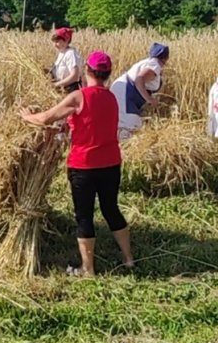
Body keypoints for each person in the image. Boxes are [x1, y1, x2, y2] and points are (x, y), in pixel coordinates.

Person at [20, 51, 133, 277]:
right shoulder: (111, 97)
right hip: (111, 163)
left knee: (84, 216)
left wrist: (26, 117)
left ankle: (88, 269)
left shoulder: (79, 97)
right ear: (108, 73)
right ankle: (129, 259)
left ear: (87, 71)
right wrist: (69, 126)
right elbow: (92, 123)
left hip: (84, 166)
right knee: (111, 209)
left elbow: (45, 118)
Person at [111, 42, 170, 140]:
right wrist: (149, 99)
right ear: (166, 58)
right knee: (129, 126)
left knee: (131, 124)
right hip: (125, 92)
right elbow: (139, 79)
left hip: (124, 91)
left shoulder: (150, 62)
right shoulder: (155, 65)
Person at [48, 27, 84, 92]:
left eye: (57, 42)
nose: (55, 45)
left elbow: (74, 76)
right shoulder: (62, 53)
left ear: (67, 40)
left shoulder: (71, 54)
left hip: (70, 90)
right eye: (54, 42)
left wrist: (56, 85)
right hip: (63, 88)